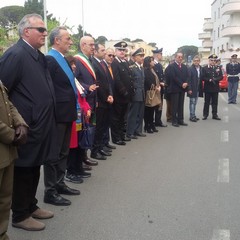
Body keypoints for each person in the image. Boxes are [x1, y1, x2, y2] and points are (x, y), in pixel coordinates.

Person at [0, 13, 55, 231]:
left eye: (44, 30)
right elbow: (4, 92)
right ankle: (20, 215)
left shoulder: (37, 54)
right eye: (40, 30)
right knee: (23, 169)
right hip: (25, 126)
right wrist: (19, 121)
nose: (45, 33)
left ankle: (31, 206)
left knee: (34, 167)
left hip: (40, 125)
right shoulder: (15, 54)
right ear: (26, 32)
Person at [43, 26, 80, 207]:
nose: (70, 42)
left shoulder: (63, 59)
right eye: (67, 39)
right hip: (57, 115)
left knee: (64, 152)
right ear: (57, 40)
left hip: (67, 113)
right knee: (53, 153)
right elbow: (47, 90)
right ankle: (50, 191)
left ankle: (60, 183)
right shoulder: (50, 60)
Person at [0, 80, 28, 240]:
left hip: (7, 152)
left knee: (4, 199)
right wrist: (12, 136)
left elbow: (8, 103)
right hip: (6, 142)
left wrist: (21, 124)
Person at [65, 55, 92, 183]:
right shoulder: (68, 80)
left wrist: (87, 108)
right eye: (72, 64)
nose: (74, 66)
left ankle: (78, 168)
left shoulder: (75, 80)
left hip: (81, 117)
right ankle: (71, 171)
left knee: (79, 145)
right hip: (73, 118)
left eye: (74, 64)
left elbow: (82, 98)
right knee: (73, 146)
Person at [74, 36, 99, 166]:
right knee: (82, 131)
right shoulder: (78, 60)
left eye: (94, 45)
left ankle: (84, 156)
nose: (93, 47)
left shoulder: (90, 60)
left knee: (89, 129)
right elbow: (74, 80)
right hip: (83, 101)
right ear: (83, 45)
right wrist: (86, 87)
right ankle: (80, 159)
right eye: (91, 45)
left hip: (91, 100)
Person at [90, 43, 114, 160]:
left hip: (106, 99)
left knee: (104, 126)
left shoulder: (101, 64)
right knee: (98, 127)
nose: (105, 52)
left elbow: (108, 82)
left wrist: (110, 94)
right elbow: (97, 83)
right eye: (102, 50)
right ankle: (95, 150)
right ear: (95, 52)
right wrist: (106, 97)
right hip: (100, 100)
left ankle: (100, 147)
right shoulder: (93, 64)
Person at [111, 41, 134, 145]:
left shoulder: (124, 62)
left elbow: (129, 77)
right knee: (117, 118)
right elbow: (117, 79)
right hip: (119, 96)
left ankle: (121, 135)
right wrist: (124, 91)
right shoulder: (114, 63)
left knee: (122, 118)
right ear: (115, 51)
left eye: (124, 50)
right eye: (120, 50)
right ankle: (116, 138)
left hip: (126, 96)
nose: (122, 52)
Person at [126, 48, 146, 139]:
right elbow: (131, 82)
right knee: (133, 114)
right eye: (140, 56)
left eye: (143, 56)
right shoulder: (132, 68)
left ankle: (138, 130)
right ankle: (130, 132)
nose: (142, 58)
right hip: (135, 94)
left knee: (140, 113)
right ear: (135, 57)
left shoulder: (141, 68)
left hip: (141, 93)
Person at [165, 52, 188, 127]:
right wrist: (181, 84)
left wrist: (186, 83)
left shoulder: (184, 66)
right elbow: (173, 77)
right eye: (179, 57)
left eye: (181, 57)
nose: (180, 58)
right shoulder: (172, 66)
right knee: (174, 105)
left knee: (181, 105)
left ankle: (180, 120)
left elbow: (187, 76)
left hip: (182, 89)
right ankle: (174, 120)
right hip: (175, 88)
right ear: (175, 57)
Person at [102, 48, 117, 151]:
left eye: (113, 56)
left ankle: (106, 142)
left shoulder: (110, 67)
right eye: (109, 55)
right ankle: (102, 144)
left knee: (107, 122)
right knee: (102, 124)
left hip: (111, 97)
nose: (111, 57)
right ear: (104, 55)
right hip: (104, 98)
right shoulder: (102, 66)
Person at [202, 54, 223, 120]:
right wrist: (209, 79)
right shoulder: (205, 68)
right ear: (209, 60)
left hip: (215, 87)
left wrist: (216, 79)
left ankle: (215, 114)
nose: (213, 62)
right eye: (212, 60)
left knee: (215, 102)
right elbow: (203, 77)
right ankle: (205, 114)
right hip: (208, 87)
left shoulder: (218, 68)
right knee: (207, 102)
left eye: (214, 60)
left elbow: (221, 76)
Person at [143, 56, 161, 133]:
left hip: (154, 91)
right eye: (152, 61)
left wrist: (158, 86)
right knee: (148, 110)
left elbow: (156, 79)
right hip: (149, 92)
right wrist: (155, 87)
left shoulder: (152, 70)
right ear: (148, 62)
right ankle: (147, 126)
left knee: (153, 109)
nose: (153, 62)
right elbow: (147, 81)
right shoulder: (146, 70)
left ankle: (152, 124)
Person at [152, 48, 167, 127]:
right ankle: (152, 122)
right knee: (154, 105)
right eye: (161, 54)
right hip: (155, 89)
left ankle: (158, 120)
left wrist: (163, 82)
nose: (161, 56)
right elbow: (152, 77)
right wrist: (158, 84)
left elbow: (162, 76)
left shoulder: (159, 65)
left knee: (159, 105)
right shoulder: (152, 64)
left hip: (161, 88)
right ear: (157, 55)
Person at [187, 55, 203, 122]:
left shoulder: (201, 68)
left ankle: (194, 115)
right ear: (193, 61)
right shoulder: (190, 69)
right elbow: (188, 79)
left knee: (195, 102)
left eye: (197, 61)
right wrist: (189, 89)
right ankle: (192, 116)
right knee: (192, 102)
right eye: (195, 61)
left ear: (199, 61)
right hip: (192, 88)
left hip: (198, 88)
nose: (196, 62)